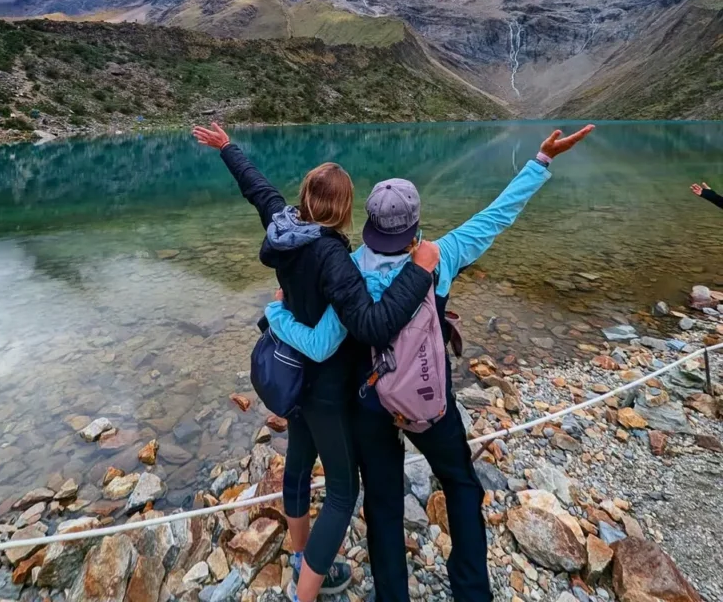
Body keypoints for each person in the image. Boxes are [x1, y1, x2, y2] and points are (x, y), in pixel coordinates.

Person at [268, 126, 594, 602]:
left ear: (369, 223)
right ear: (415, 224)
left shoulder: (347, 265)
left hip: (369, 403)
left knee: (382, 505)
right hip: (428, 398)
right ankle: (470, 589)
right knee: (461, 484)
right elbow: (498, 215)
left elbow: (319, 332)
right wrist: (540, 160)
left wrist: (276, 311)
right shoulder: (440, 255)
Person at [191, 122, 440, 602]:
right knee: (343, 492)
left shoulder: (283, 225)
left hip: (294, 381)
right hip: (326, 388)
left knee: (299, 466)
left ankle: (300, 553)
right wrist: (418, 272)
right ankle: (305, 592)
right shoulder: (333, 258)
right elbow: (372, 325)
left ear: (304, 197)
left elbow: (258, 191)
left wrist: (228, 148)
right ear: (345, 210)